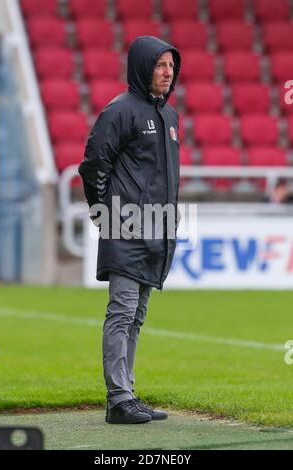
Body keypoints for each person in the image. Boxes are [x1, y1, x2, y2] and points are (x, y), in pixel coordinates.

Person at [78, 36, 181, 424]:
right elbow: (93, 165)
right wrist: (102, 211)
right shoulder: (119, 111)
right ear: (142, 67)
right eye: (159, 65)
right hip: (126, 226)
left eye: (171, 65)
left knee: (136, 315)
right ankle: (118, 399)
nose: (167, 72)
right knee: (122, 312)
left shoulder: (170, 118)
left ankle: (128, 394)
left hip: (158, 230)